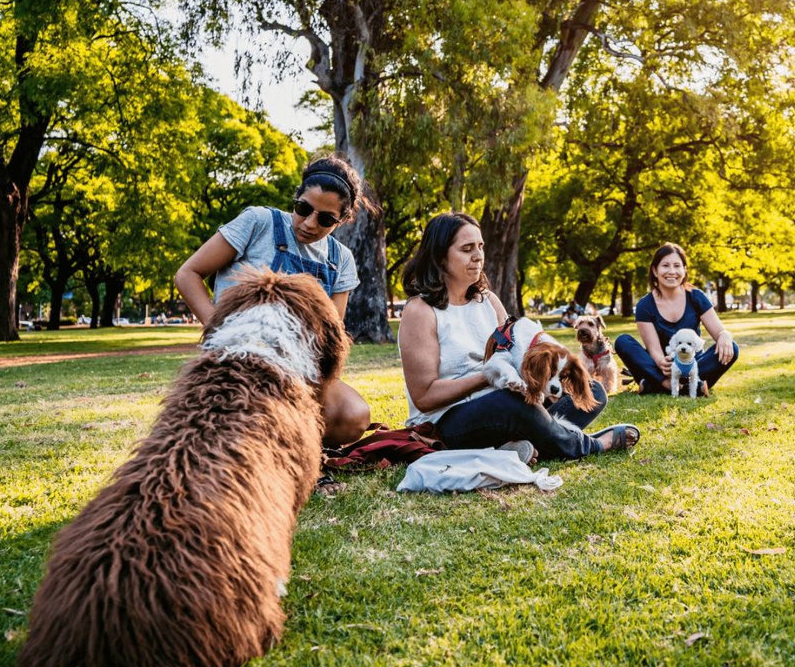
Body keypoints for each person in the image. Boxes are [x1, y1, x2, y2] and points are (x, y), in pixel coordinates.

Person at [397, 212, 639, 458]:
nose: (478, 256)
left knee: (591, 390)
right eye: (467, 249)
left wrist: (540, 380)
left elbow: (516, 356)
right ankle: (591, 445)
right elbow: (424, 397)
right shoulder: (421, 311)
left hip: (504, 405)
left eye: (480, 246)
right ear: (439, 257)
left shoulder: (488, 301)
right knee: (513, 404)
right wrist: (488, 376)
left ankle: (516, 448)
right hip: (448, 422)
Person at [174, 154, 372, 448]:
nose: (309, 223)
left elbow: (331, 332)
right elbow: (188, 274)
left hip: (298, 366)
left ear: (343, 220)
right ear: (296, 196)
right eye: (303, 208)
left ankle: (295, 448)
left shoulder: (340, 259)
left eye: (326, 219)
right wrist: (219, 330)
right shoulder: (258, 222)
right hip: (240, 356)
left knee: (354, 415)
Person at [614, 242, 738, 395]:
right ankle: (672, 385)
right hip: (662, 368)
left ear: (684, 270)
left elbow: (719, 332)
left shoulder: (696, 297)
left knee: (732, 347)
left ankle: (655, 386)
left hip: (693, 364)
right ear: (654, 270)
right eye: (665, 265)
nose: (672, 271)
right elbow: (654, 349)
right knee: (623, 341)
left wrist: (725, 335)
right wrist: (661, 362)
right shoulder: (645, 305)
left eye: (677, 266)